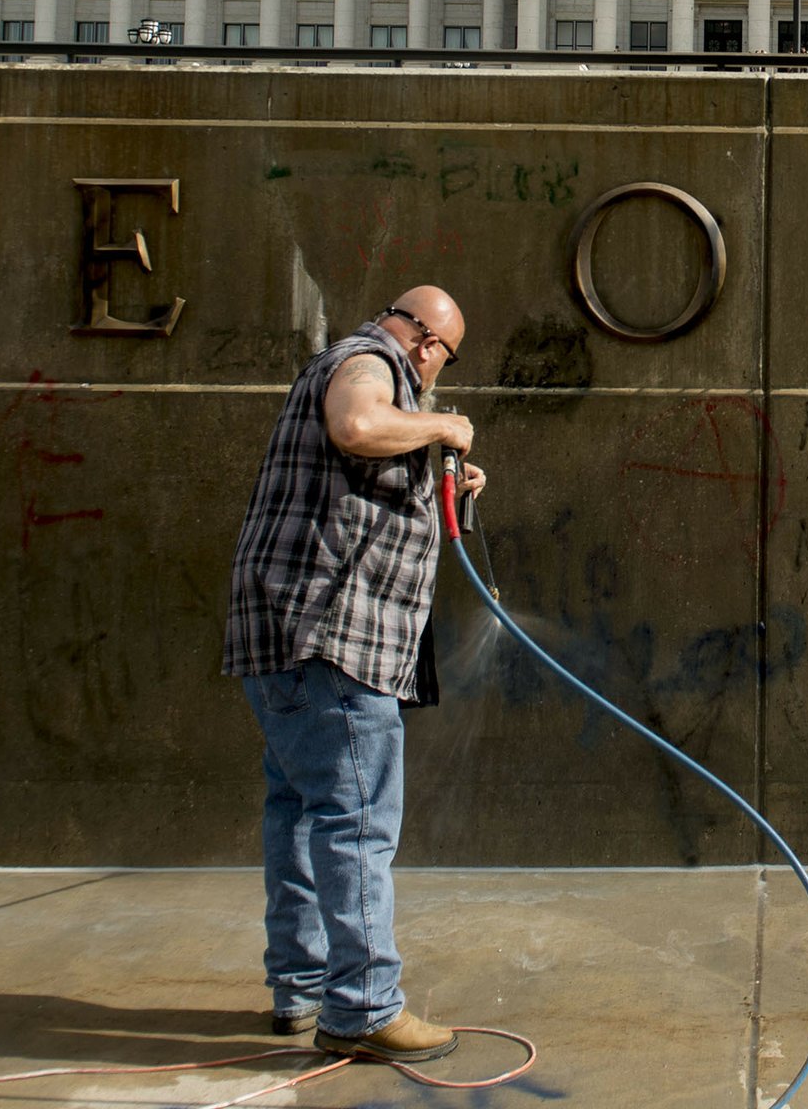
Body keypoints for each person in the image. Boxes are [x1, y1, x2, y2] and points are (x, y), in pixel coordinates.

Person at [222, 285, 485, 1062]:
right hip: (333, 638)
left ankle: (301, 987)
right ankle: (364, 1005)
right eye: (443, 358)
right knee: (357, 821)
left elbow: (359, 476)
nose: (437, 375)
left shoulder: (346, 367)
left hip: (282, 630)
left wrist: (444, 477)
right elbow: (359, 425)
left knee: (300, 812)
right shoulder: (368, 361)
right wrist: (444, 424)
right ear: (427, 342)